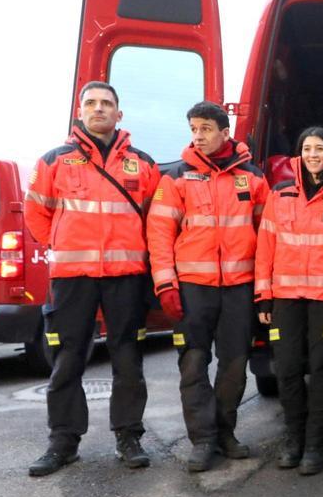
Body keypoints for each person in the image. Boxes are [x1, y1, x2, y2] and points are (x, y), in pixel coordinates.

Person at [24, 81, 159, 477]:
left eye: (107, 103)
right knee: (67, 360)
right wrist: (65, 241)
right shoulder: (53, 161)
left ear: (120, 114)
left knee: (128, 359)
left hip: (126, 277)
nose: (99, 109)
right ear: (80, 113)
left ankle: (129, 436)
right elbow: (36, 215)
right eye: (91, 103)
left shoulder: (143, 164)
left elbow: (156, 219)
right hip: (73, 276)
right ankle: (63, 442)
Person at [146, 101, 269, 473]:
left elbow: (268, 237)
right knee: (194, 365)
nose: (198, 137)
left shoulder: (253, 178)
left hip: (238, 288)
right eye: (194, 130)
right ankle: (202, 440)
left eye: (205, 129)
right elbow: (159, 234)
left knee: (235, 366)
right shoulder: (177, 179)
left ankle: (224, 432)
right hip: (193, 289)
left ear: (225, 133)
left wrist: (263, 289)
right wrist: (166, 285)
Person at [254, 126, 323, 475]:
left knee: (321, 372)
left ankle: (315, 446)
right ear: (299, 154)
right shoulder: (280, 194)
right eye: (307, 148)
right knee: (286, 371)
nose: (313, 154)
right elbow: (265, 248)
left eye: (320, 148)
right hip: (285, 300)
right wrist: (263, 296)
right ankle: (293, 440)